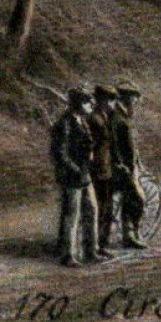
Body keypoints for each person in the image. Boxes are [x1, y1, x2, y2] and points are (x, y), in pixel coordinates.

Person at [50, 89, 99, 267]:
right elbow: (60, 153)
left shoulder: (82, 121)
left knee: (91, 211)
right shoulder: (64, 124)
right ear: (77, 104)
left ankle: (91, 250)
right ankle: (68, 255)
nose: (91, 105)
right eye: (87, 102)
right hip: (72, 176)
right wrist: (76, 169)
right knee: (72, 215)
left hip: (84, 175)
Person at [105, 85, 148, 250]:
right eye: (134, 97)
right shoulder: (116, 115)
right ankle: (129, 235)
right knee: (137, 198)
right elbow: (113, 143)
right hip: (121, 168)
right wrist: (119, 163)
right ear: (126, 97)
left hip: (129, 165)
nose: (136, 101)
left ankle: (129, 233)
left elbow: (131, 145)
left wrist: (137, 163)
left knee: (130, 198)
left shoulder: (125, 114)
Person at [88, 86, 118, 259]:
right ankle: (97, 245)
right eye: (107, 99)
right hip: (98, 168)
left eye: (111, 100)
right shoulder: (94, 119)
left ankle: (103, 244)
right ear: (99, 100)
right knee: (100, 208)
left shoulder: (107, 117)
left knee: (107, 208)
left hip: (107, 168)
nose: (109, 103)